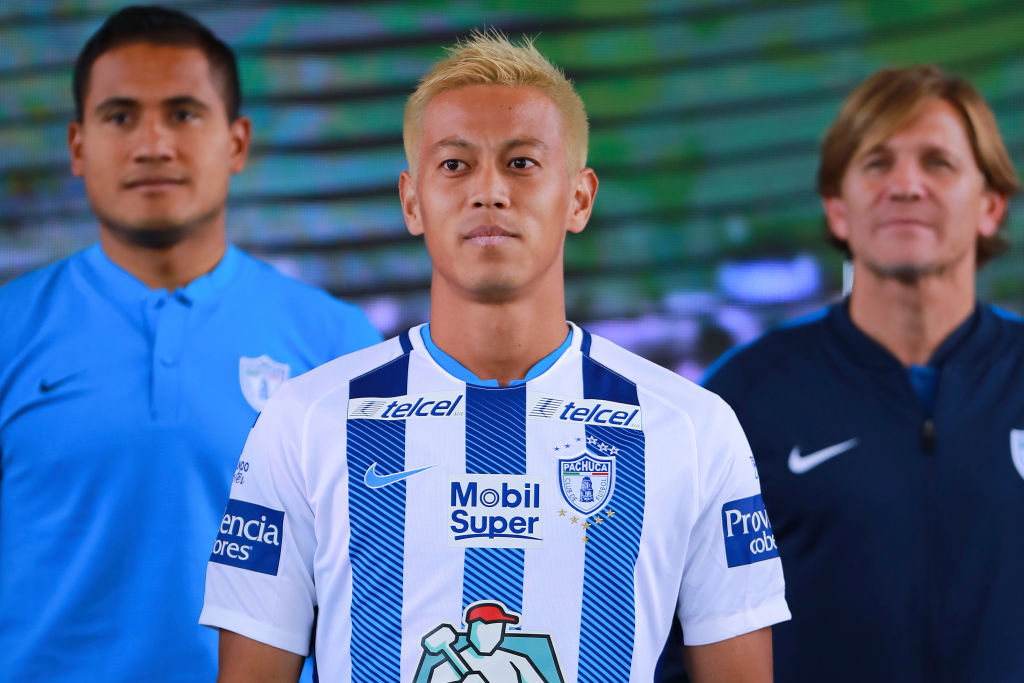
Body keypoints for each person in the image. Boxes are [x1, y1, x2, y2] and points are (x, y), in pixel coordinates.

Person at [200, 31, 789, 683]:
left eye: (521, 162)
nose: (489, 191)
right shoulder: (303, 420)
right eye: (455, 165)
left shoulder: (693, 428)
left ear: (580, 198)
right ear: (411, 201)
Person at [0, 6, 380, 682]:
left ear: (236, 141)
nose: (153, 144)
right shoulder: (10, 330)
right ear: (78, 146)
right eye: (120, 116)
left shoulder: (338, 342)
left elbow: (372, 589)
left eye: (183, 113)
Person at [672, 65, 1022, 682]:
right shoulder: (745, 398)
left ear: (990, 206)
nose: (906, 185)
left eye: (938, 163)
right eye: (877, 163)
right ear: (838, 209)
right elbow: (681, 636)